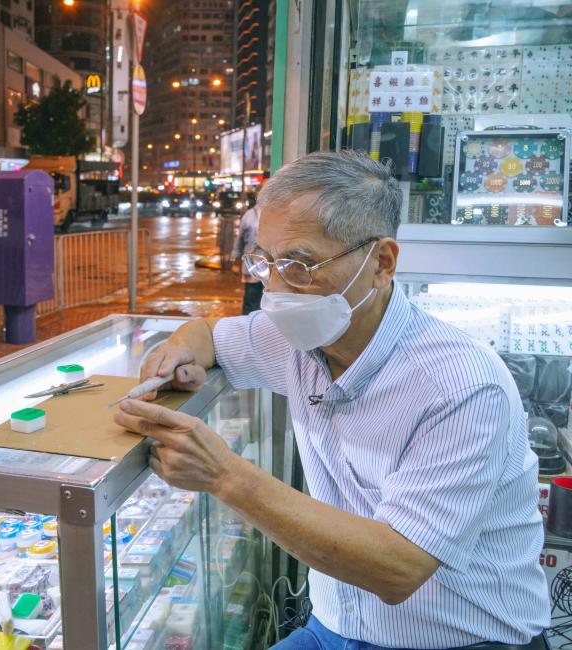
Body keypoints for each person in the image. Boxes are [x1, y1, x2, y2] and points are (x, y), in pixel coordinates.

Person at [115, 150, 549, 649]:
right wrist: (178, 352)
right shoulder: (295, 339)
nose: (275, 289)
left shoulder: (462, 388)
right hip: (335, 626)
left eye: (299, 265)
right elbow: (209, 333)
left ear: (381, 263)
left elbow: (398, 567)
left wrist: (225, 475)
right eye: (265, 262)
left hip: (462, 638)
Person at [232, 192, 262, 314]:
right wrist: (236, 259)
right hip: (253, 265)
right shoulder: (250, 215)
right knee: (251, 301)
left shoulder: (278, 214)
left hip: (272, 268)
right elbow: (240, 239)